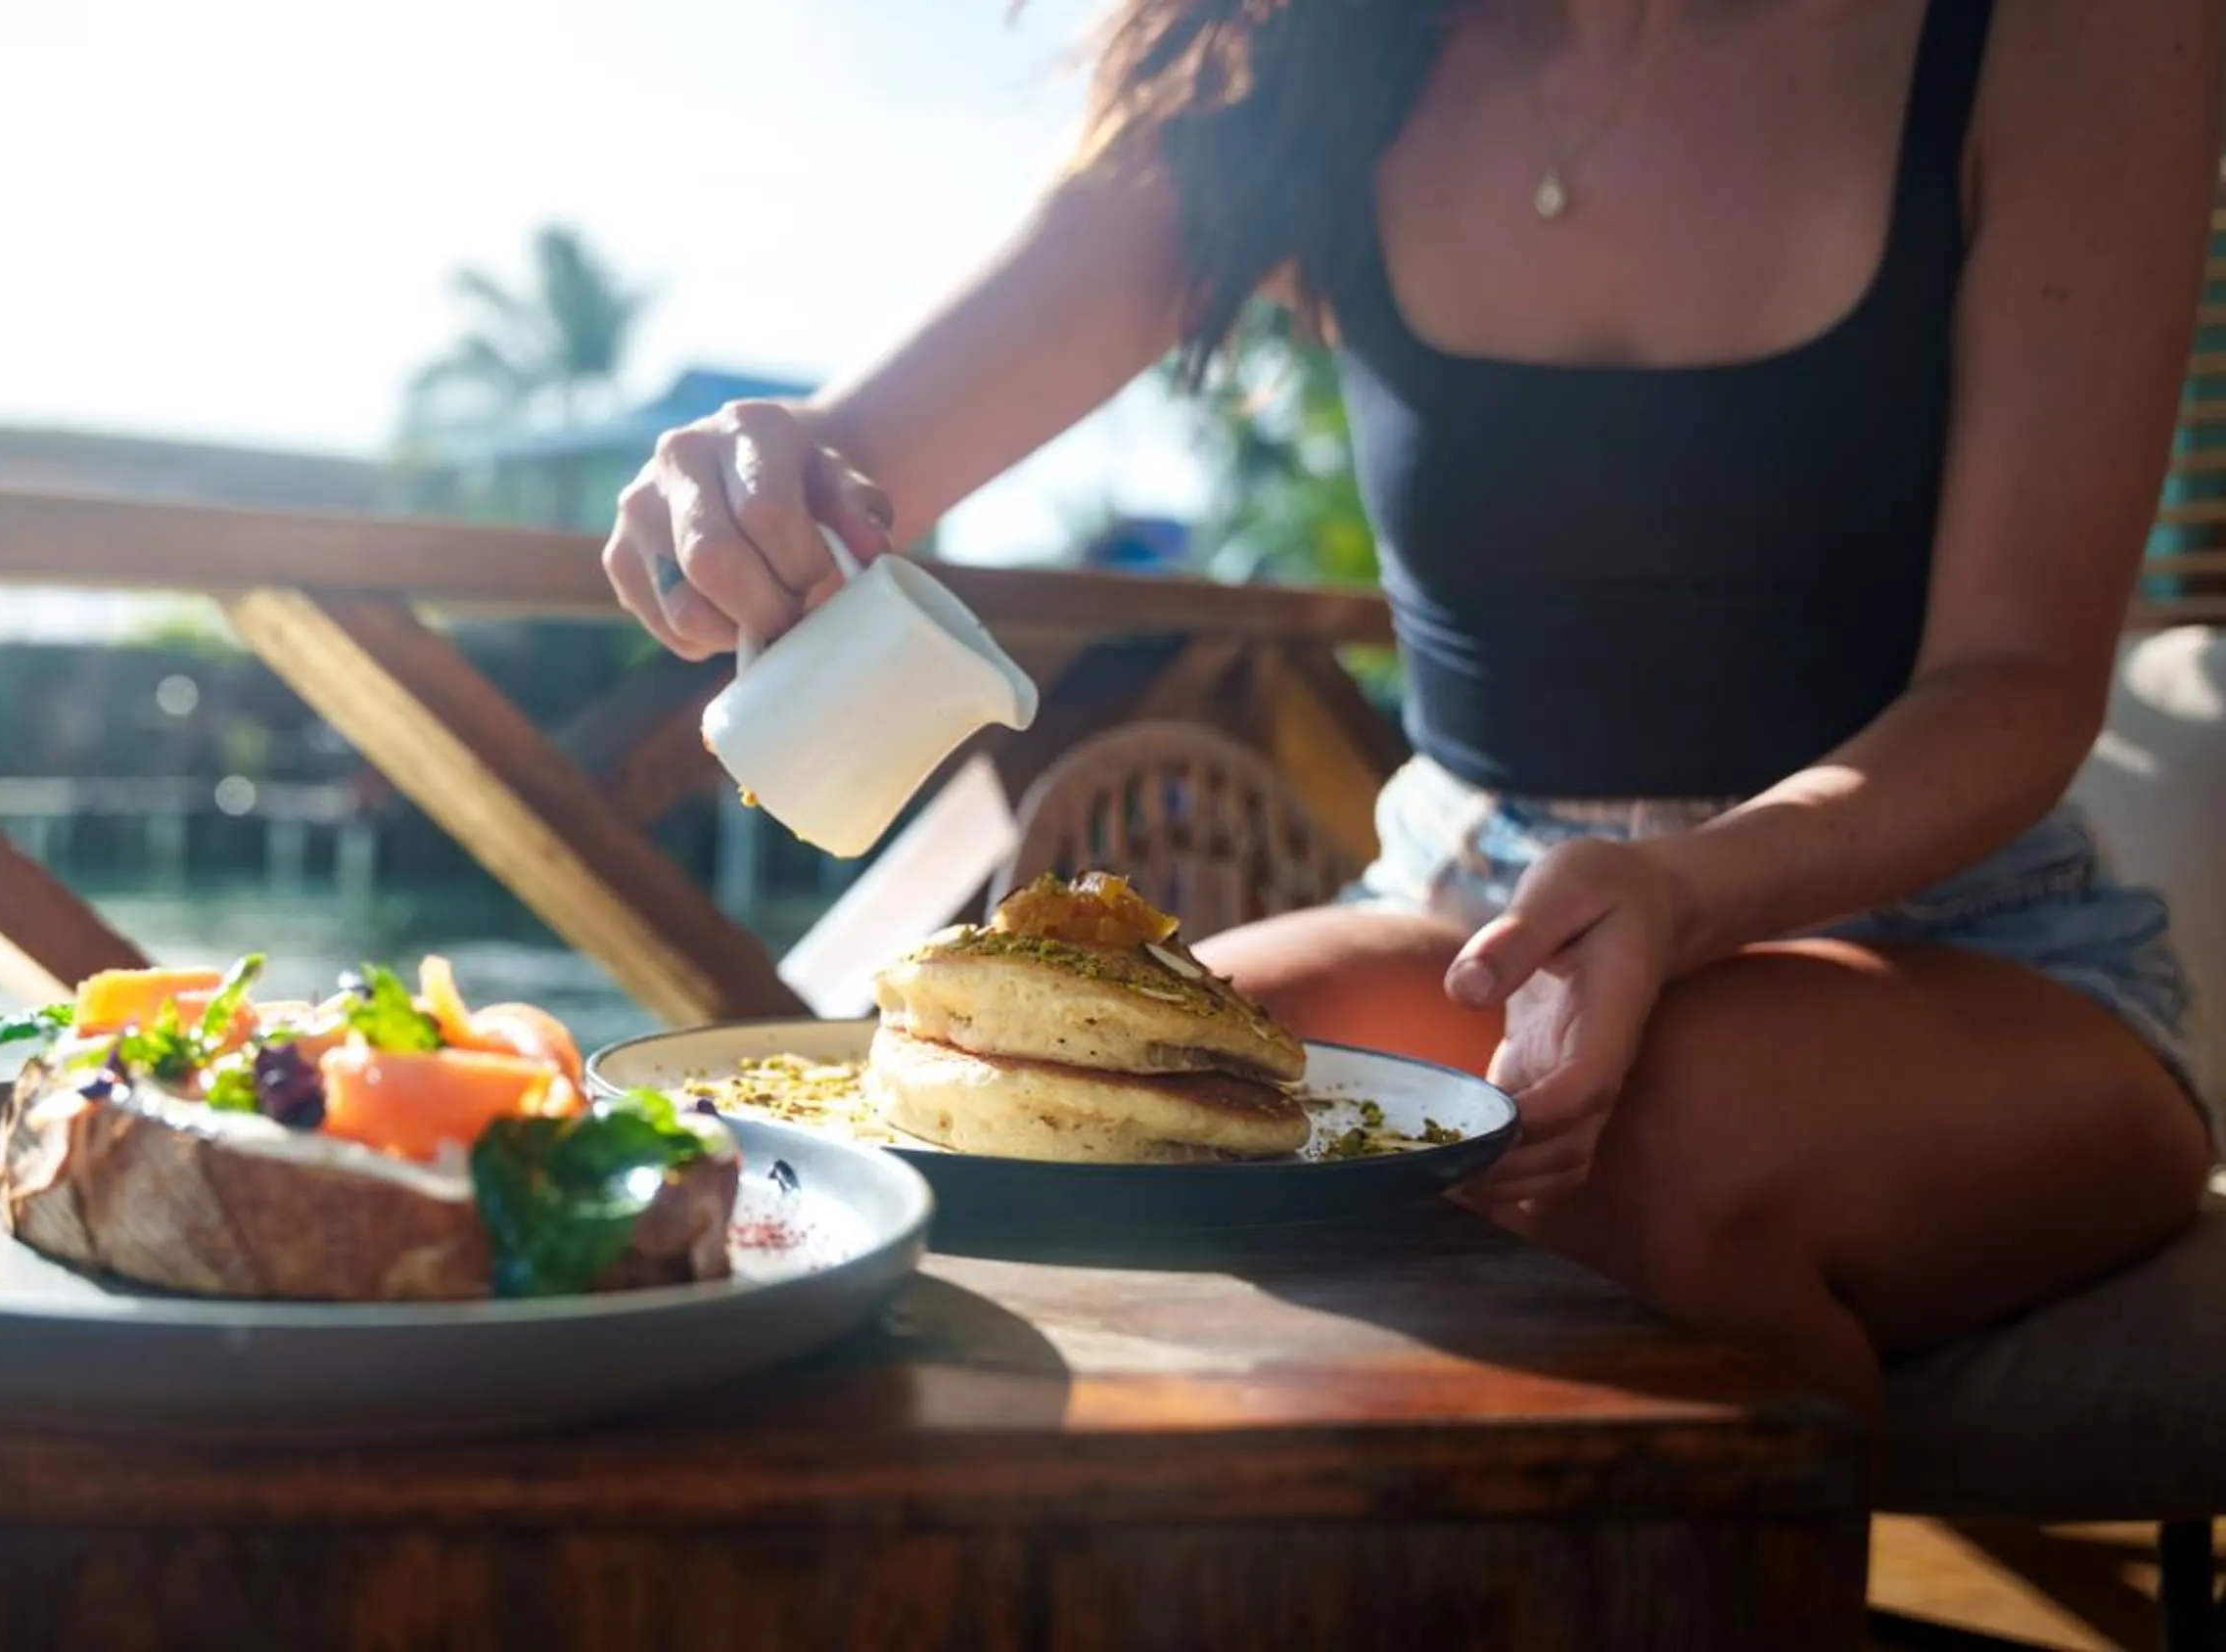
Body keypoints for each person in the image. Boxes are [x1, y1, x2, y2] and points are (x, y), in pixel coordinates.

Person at [598, 0, 2222, 1414]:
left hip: (1964, 949)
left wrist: (1684, 890)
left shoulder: (2062, 27)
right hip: (1469, 918)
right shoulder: (1303, 49)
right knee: (1088, 1125)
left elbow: (2017, 690)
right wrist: (762, 488)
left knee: (1654, 1163)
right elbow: (860, 466)